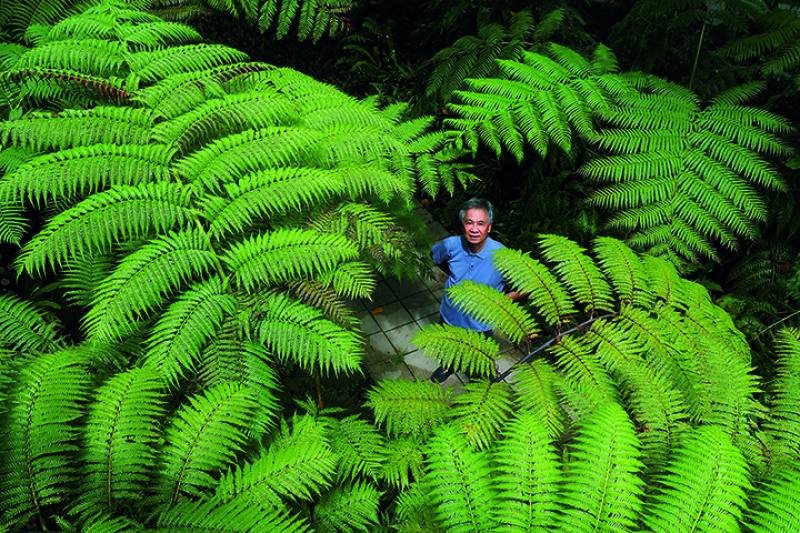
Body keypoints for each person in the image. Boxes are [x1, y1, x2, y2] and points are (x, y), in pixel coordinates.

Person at [429, 197, 521, 383]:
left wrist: (503, 301)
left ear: (489, 227)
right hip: (450, 315)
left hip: (480, 324)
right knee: (449, 347)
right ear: (463, 224)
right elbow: (436, 257)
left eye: (481, 223)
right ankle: (449, 365)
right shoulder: (452, 245)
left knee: (478, 359)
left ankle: (477, 376)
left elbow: (525, 284)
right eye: (469, 222)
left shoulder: (502, 255)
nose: (474, 229)